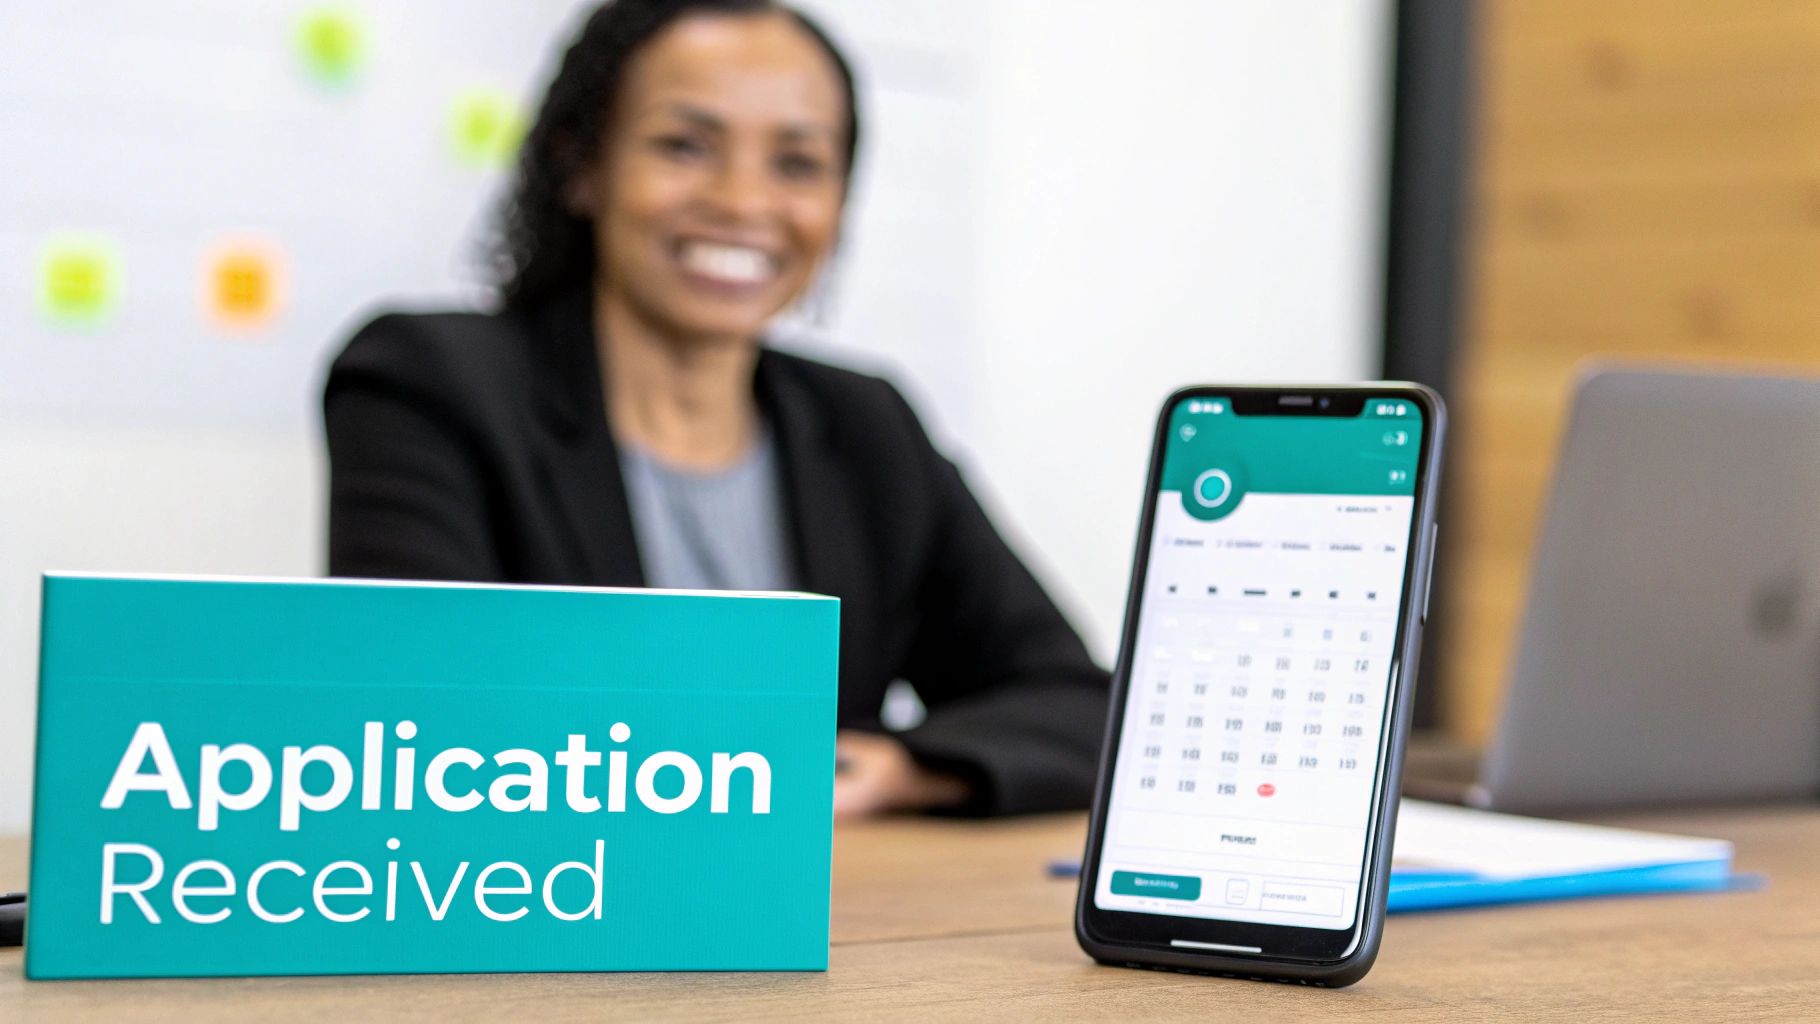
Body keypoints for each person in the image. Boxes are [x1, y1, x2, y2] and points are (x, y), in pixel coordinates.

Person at [323, 0, 1108, 817]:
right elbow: (411, 718)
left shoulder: (867, 427)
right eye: (684, 146)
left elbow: (1076, 704)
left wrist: (909, 770)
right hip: (541, 909)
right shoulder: (427, 383)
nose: (742, 201)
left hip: (836, 930)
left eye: (798, 164)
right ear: (581, 166)